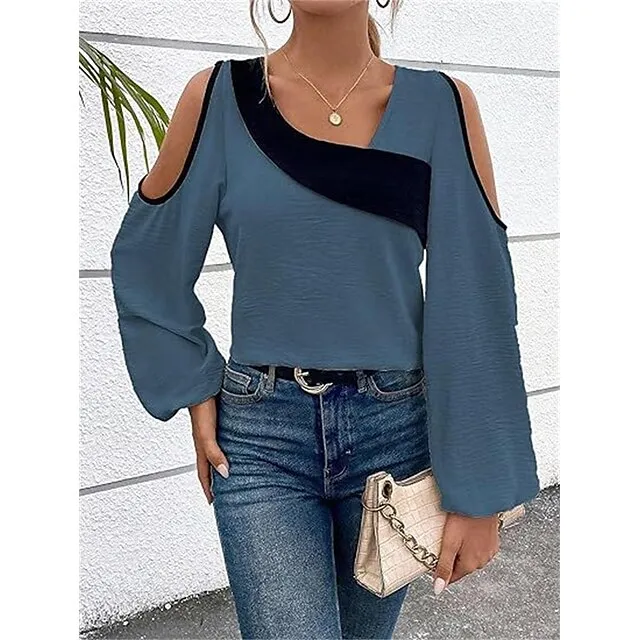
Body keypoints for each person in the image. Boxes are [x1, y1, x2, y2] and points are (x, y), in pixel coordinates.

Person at [110, 1, 540, 637]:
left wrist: (481, 489)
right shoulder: (218, 100)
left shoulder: (443, 107)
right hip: (262, 442)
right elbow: (148, 258)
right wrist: (194, 385)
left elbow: (474, 296)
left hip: (395, 436)